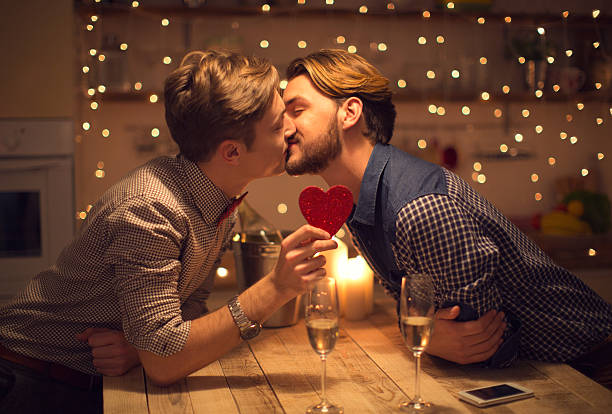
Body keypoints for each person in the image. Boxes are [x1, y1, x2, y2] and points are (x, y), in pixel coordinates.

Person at [0, 49, 337, 413]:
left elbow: (184, 316)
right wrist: (276, 287)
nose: (290, 129)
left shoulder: (219, 200)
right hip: (29, 379)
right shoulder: (150, 211)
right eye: (276, 125)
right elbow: (163, 364)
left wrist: (142, 346)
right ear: (231, 153)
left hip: (93, 380)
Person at [282, 49, 612, 383]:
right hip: (543, 372)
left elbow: (479, 346)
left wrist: (424, 332)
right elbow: (414, 307)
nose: (284, 127)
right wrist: (422, 329)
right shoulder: (360, 199)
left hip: (590, 367)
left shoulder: (419, 208)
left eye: (297, 110)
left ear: (349, 112)